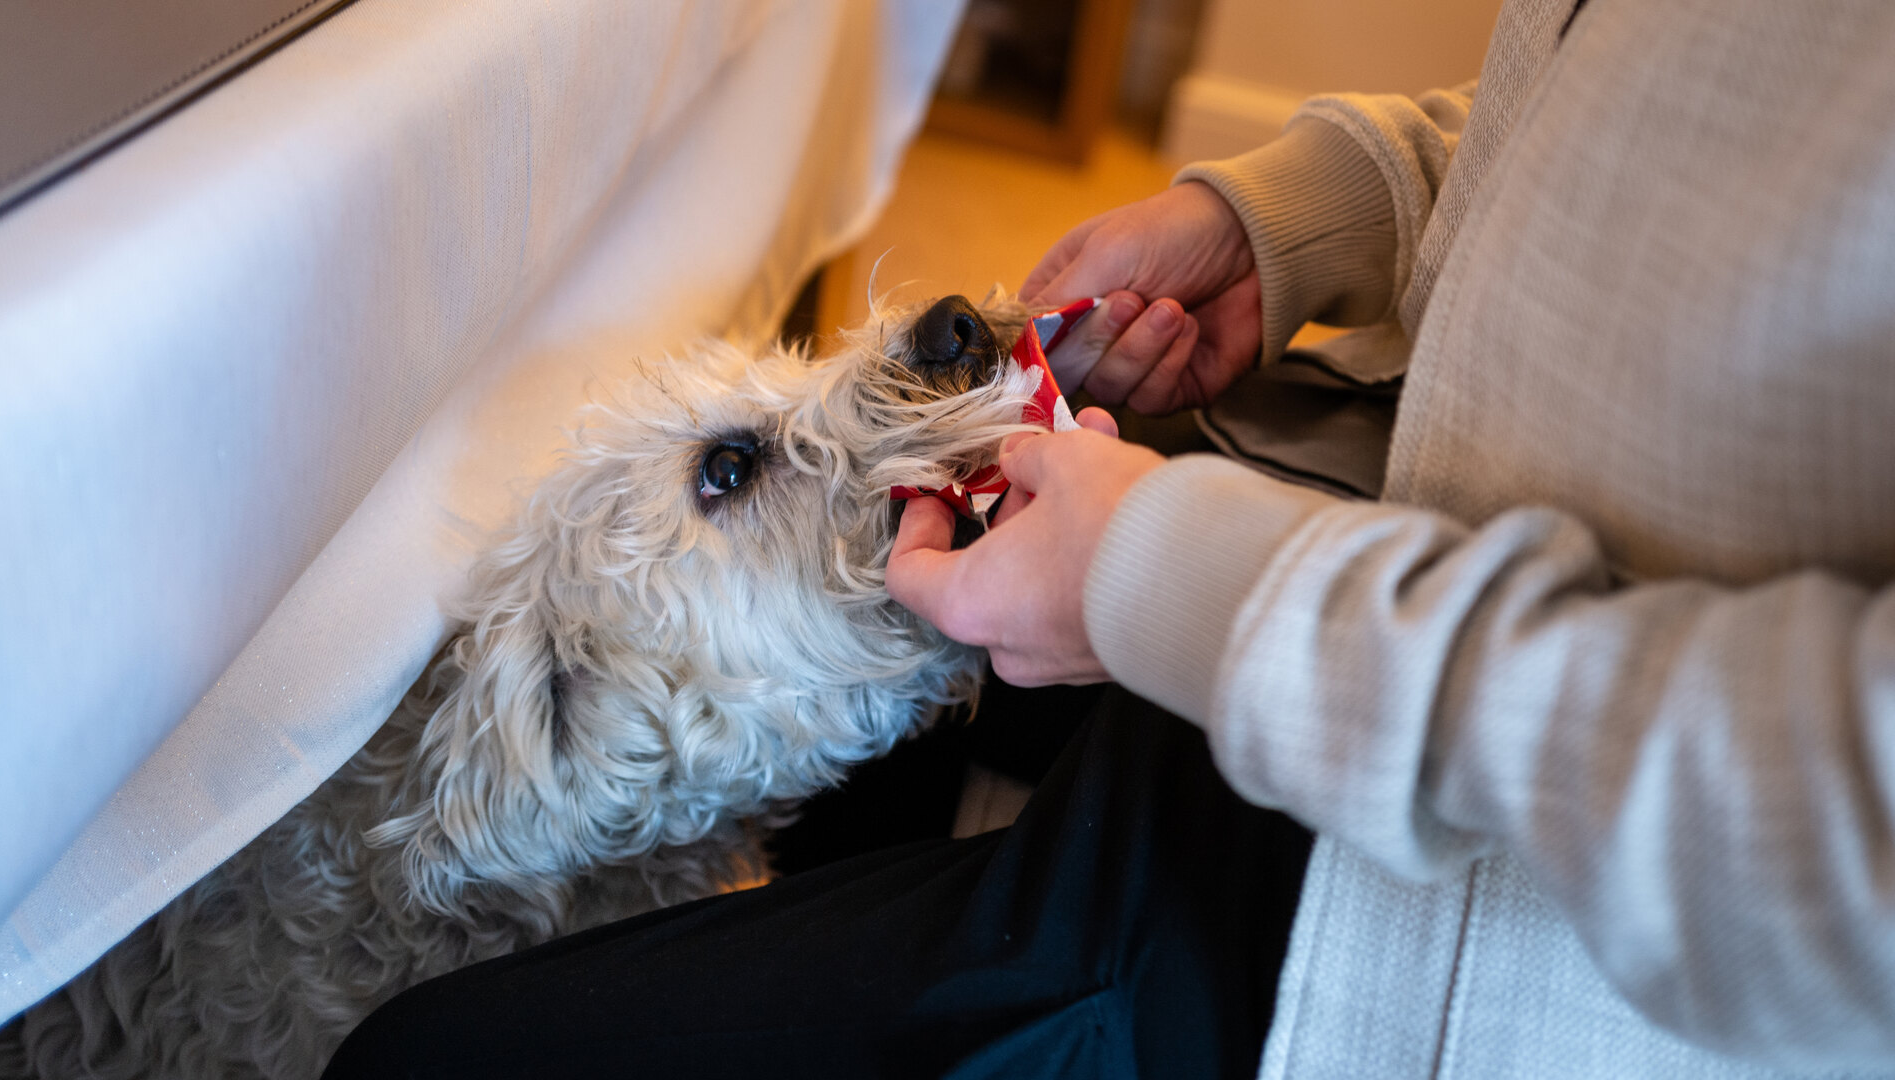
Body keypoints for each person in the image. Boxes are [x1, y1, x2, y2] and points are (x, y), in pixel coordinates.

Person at [329, 0, 1895, 1075]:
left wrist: (1171, 586)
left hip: (1479, 926)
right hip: (1366, 575)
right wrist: (1305, 221)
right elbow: (1617, 130)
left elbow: (1831, 827)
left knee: (427, 1058)